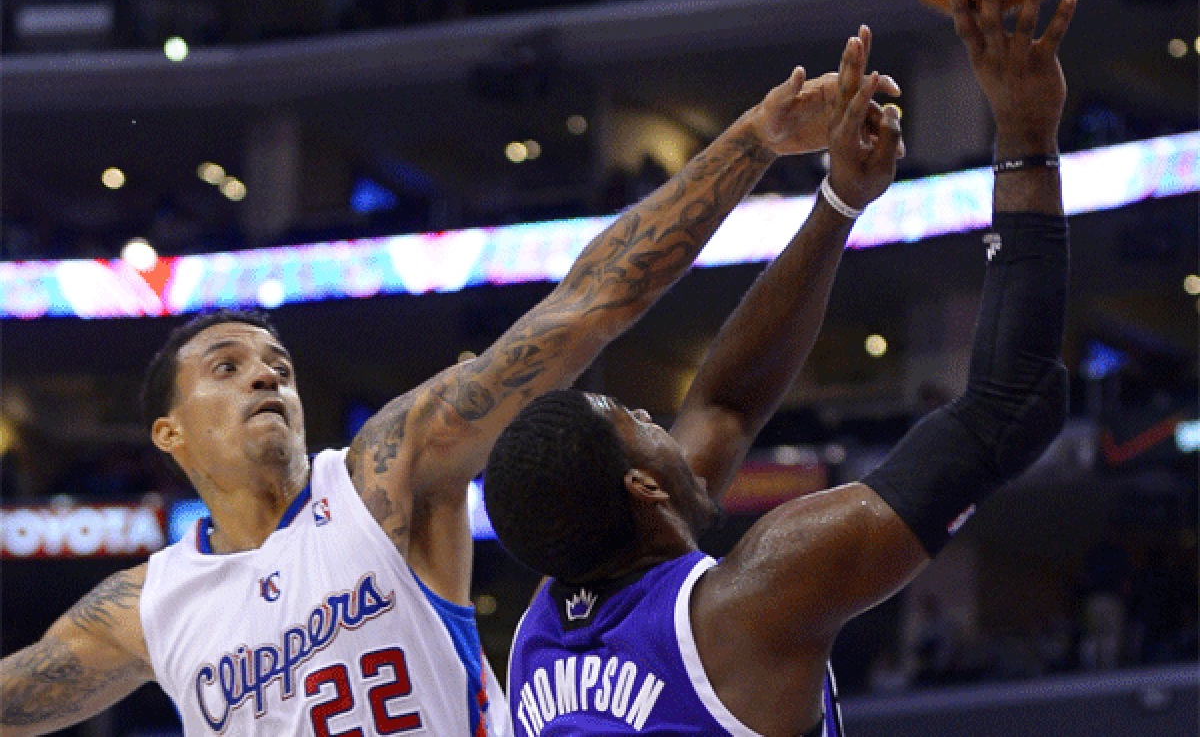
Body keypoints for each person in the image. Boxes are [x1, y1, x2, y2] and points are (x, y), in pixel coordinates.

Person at [0, 39, 901, 737]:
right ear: (168, 435)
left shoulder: (382, 478)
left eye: (275, 362)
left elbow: (586, 308)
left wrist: (751, 143)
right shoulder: (147, 606)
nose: (265, 373)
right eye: (225, 368)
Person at [484, 0, 1076, 737]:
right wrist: (1027, 139)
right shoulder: (753, 605)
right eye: (638, 419)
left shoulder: (540, 637)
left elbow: (725, 404)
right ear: (643, 487)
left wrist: (837, 204)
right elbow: (1011, 405)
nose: (665, 422)